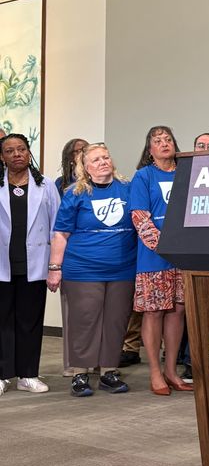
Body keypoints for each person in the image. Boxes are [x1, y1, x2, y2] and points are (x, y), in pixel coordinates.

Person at [47, 143, 136, 396]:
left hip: (122, 269)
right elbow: (61, 234)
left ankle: (109, 372)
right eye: (95, 160)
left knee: (115, 322)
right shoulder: (74, 193)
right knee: (85, 321)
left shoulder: (128, 189)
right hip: (83, 269)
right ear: (85, 167)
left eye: (106, 157)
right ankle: (80, 373)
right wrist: (55, 268)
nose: (102, 162)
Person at [130, 126, 193, 396]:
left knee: (178, 310)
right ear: (150, 149)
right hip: (154, 256)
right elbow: (139, 216)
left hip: (184, 255)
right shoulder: (143, 176)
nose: (164, 143)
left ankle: (171, 370)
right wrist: (163, 246)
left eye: (168, 139)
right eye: (158, 141)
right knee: (154, 311)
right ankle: (155, 371)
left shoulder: (186, 173)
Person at [0, 134, 60, 396]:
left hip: (34, 265)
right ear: (2, 157)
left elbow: (58, 227)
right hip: (2, 265)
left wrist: (55, 266)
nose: (16, 154)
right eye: (10, 151)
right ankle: (2, 375)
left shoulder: (45, 185)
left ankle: (28, 374)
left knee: (30, 321)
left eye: (21, 149)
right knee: (2, 321)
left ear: (29, 152)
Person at [53, 137, 88, 377]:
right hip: (70, 255)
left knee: (95, 313)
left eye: (86, 150)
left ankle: (97, 359)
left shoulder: (103, 182)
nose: (82, 154)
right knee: (73, 313)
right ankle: (72, 363)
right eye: (77, 151)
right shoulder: (59, 185)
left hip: (96, 255)